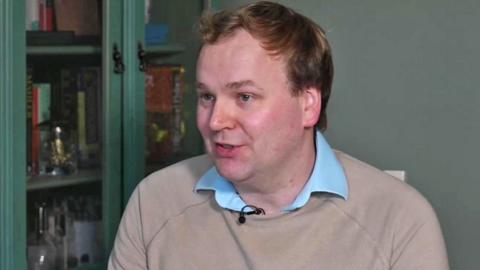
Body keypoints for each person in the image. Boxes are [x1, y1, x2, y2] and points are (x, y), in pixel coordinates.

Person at [108, 1, 449, 269]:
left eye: (244, 97)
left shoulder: (401, 221)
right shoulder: (153, 203)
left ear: (308, 105)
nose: (216, 121)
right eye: (207, 97)